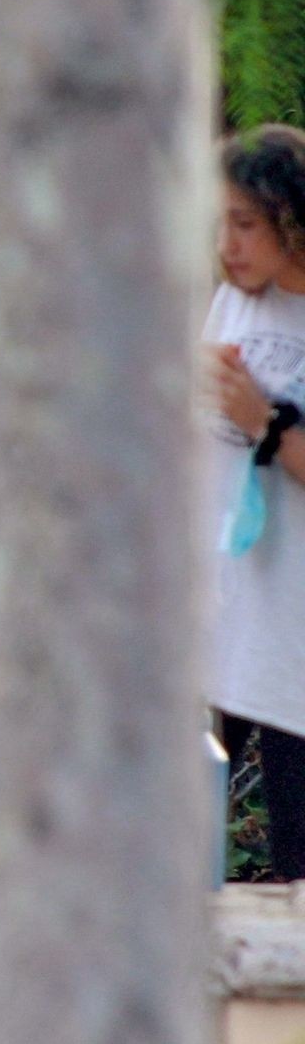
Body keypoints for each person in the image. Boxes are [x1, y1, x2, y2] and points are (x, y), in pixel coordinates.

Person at [203, 125, 305, 882]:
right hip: (216, 617)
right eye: (220, 222)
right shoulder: (235, 304)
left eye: (244, 224)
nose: (227, 245)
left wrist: (264, 422)